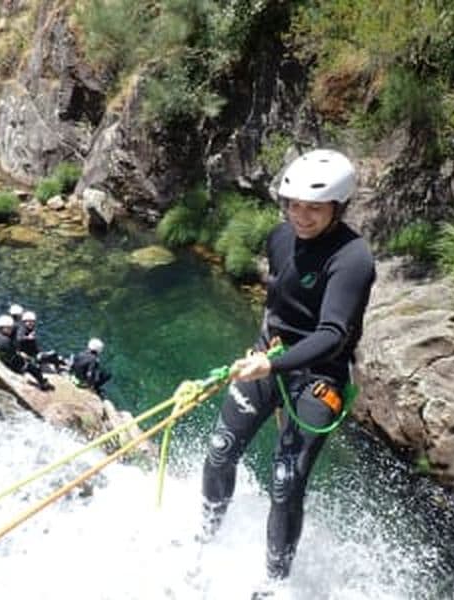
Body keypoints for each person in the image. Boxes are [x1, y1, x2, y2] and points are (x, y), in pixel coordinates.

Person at [200, 149, 376, 586]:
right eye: (293, 205)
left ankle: (273, 584)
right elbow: (278, 301)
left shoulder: (353, 259)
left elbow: (333, 332)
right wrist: (262, 347)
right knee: (220, 450)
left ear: (338, 206)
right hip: (271, 355)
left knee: (284, 483)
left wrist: (271, 366)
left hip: (320, 375)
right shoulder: (279, 238)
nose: (301, 216)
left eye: (314, 208)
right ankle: (205, 534)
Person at [0, 314, 54, 391]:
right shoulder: (5, 341)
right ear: (3, 328)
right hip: (12, 364)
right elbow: (13, 355)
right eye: (8, 328)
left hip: (5, 359)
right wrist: (23, 357)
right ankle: (43, 383)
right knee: (34, 368)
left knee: (31, 362)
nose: (11, 330)